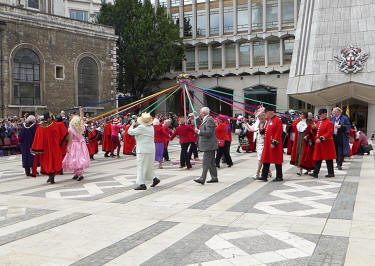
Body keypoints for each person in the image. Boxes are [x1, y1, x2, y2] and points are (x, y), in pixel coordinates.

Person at [31, 112, 68, 184]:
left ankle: (50, 176)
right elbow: (63, 133)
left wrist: (38, 148)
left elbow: (37, 138)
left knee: (47, 163)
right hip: (54, 147)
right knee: (54, 162)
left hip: (44, 149)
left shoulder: (40, 127)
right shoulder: (55, 125)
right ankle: (52, 177)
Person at [128, 113, 160, 190]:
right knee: (149, 166)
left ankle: (142, 184)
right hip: (150, 149)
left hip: (143, 150)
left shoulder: (142, 127)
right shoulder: (151, 127)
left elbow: (130, 132)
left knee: (141, 167)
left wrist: (132, 125)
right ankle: (155, 179)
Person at [256, 105, 283, 182]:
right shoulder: (269, 120)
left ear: (271, 112)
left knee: (277, 161)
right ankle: (264, 176)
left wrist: (274, 142)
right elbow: (267, 130)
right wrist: (262, 131)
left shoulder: (277, 120)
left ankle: (279, 176)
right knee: (265, 159)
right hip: (267, 144)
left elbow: (278, 133)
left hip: (274, 144)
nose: (265, 114)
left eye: (266, 113)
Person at [63, 109, 90, 181]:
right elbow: (82, 120)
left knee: (75, 159)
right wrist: (81, 111)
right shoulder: (81, 128)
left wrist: (67, 146)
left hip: (74, 145)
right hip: (81, 145)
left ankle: (77, 174)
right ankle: (79, 174)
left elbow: (70, 139)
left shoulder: (71, 129)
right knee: (80, 159)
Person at [194, 107, 218, 185]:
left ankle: (202, 178)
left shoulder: (209, 120)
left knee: (205, 163)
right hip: (209, 145)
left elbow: (209, 132)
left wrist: (199, 132)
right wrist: (196, 116)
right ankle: (214, 177)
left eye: (200, 112)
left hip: (209, 145)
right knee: (211, 163)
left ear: (203, 113)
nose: (200, 114)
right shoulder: (206, 119)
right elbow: (201, 123)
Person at [309, 109, 336, 178]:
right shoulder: (318, 122)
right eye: (319, 114)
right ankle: (315, 173)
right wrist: (313, 129)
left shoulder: (329, 123)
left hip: (326, 143)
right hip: (319, 144)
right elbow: (315, 132)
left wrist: (321, 138)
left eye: (321, 114)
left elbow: (329, 133)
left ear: (325, 114)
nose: (320, 116)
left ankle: (331, 173)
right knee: (318, 158)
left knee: (328, 159)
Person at [249, 107, 269, 179]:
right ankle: (268, 172)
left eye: (262, 116)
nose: (261, 118)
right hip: (258, 143)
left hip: (265, 143)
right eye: (259, 116)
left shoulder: (267, 123)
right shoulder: (257, 123)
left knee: (261, 158)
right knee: (262, 158)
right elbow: (251, 129)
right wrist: (245, 123)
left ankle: (257, 173)